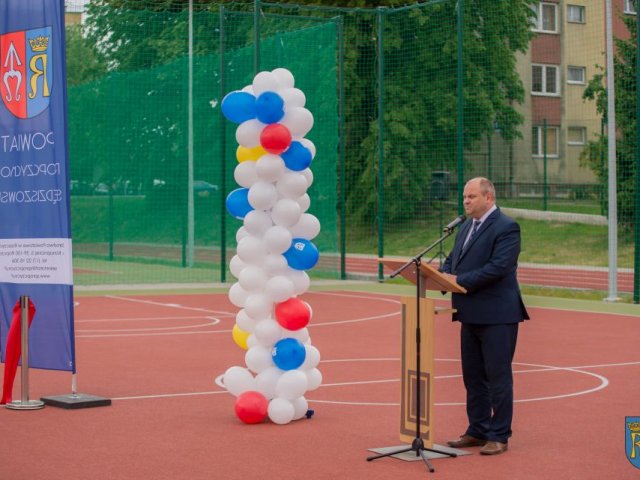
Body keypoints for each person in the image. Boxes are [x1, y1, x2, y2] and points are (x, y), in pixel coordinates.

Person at [439, 177, 529, 456]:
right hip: (470, 313)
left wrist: (458, 280)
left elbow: (498, 268)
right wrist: (441, 276)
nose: (466, 201)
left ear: (488, 197)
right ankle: (477, 430)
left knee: (497, 377)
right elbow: (452, 260)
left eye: (472, 197)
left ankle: (499, 435)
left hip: (498, 315)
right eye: (465, 197)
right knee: (473, 377)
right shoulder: (465, 227)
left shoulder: (507, 227)